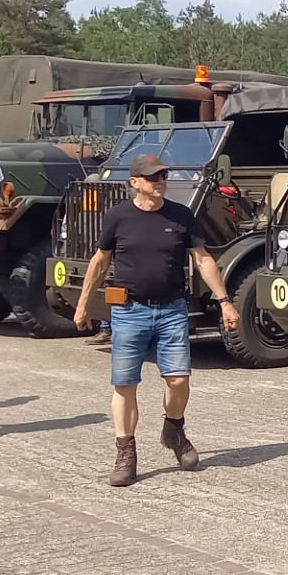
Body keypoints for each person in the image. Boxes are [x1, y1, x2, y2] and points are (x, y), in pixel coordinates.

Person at [74, 154, 241, 487]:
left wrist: (225, 301)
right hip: (128, 311)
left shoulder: (181, 215)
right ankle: (126, 453)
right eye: (153, 177)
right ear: (134, 182)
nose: (161, 181)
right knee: (125, 384)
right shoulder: (118, 216)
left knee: (178, 380)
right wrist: (82, 305)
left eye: (163, 175)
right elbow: (100, 261)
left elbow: (202, 259)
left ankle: (174, 429)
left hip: (172, 311)